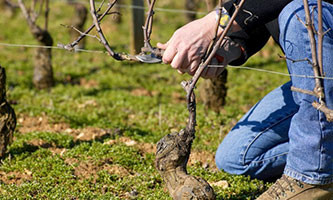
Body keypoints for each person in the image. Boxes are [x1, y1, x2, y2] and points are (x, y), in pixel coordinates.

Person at [157, 0, 333, 199]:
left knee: (303, 10)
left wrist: (215, 22)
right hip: (320, 85)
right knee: (237, 158)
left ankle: (311, 175)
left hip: (323, 80)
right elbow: (267, 12)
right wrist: (228, 47)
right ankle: (320, 154)